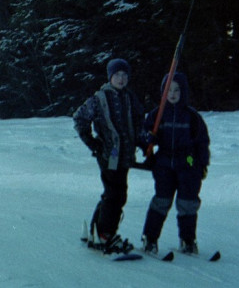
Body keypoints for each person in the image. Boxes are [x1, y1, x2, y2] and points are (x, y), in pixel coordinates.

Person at [73, 58, 146, 254]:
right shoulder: (99, 98)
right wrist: (92, 143)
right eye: (117, 75)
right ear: (110, 77)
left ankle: (97, 230)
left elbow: (139, 123)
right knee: (116, 194)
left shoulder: (131, 98)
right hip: (108, 155)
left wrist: (144, 141)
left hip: (125, 155)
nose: (121, 79)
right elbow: (79, 118)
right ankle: (106, 234)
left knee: (113, 193)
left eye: (124, 75)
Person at [141, 72, 210, 256]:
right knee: (161, 200)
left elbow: (202, 142)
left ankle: (188, 240)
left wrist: (201, 163)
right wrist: (148, 138)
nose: (172, 94)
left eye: (176, 90)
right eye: (168, 90)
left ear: (183, 92)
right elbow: (144, 135)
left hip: (187, 158)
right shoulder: (157, 115)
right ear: (163, 91)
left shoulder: (192, 116)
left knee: (187, 201)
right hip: (164, 160)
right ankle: (150, 238)